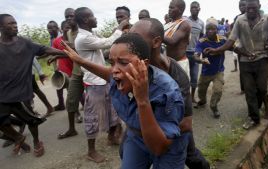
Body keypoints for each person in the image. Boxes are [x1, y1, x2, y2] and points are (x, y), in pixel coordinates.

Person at [62, 32, 190, 169]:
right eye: (111, 63)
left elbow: (159, 147)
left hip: (167, 145)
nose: (114, 70)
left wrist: (142, 100)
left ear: (144, 64)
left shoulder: (167, 92)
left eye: (123, 62)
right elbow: (107, 73)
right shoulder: (119, 76)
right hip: (136, 137)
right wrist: (80, 61)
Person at [204, 0, 268, 129]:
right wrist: (217, 50)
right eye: (248, 8)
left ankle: (264, 107)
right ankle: (253, 118)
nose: (250, 11)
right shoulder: (240, 20)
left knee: (261, 89)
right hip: (245, 61)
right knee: (249, 91)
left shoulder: (267, 19)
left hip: (262, 59)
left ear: (259, 7)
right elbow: (231, 40)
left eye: (253, 8)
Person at [129, 18, 210, 169]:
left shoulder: (177, 74)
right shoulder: (133, 68)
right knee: (127, 152)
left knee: (193, 159)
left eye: (136, 38)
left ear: (156, 42)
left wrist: (155, 133)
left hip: (173, 129)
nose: (130, 43)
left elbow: (185, 124)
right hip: (144, 129)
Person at [0, 14, 65, 157]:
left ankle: (36, 141)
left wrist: (66, 53)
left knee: (31, 121)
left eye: (15, 23)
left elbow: (45, 49)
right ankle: (18, 137)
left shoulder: (25, 42)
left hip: (22, 92)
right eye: (10, 24)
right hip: (3, 94)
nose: (15, 25)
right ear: (1, 27)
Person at [73, 7, 127, 163]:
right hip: (94, 82)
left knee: (112, 109)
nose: (95, 18)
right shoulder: (83, 38)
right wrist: (119, 28)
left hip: (103, 79)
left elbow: (107, 43)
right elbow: (107, 42)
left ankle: (111, 136)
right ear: (85, 20)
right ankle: (91, 151)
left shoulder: (91, 34)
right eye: (92, 16)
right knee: (93, 116)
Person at [57, 8, 84, 140]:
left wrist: (71, 46)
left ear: (77, 17)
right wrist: (56, 55)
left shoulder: (84, 31)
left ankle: (112, 128)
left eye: (71, 16)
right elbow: (69, 51)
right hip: (76, 71)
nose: (69, 19)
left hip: (90, 70)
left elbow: (83, 50)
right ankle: (71, 129)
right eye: (66, 16)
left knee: (100, 99)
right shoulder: (67, 32)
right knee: (71, 99)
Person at [193, 18, 226, 118]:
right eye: (208, 29)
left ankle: (214, 107)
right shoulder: (202, 41)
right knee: (201, 90)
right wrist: (201, 60)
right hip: (205, 72)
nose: (210, 31)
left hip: (218, 71)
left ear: (217, 29)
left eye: (213, 29)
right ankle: (203, 101)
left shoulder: (222, 39)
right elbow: (196, 55)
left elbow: (231, 46)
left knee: (217, 90)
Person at [164, 0, 191, 77]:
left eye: (172, 7)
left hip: (180, 63)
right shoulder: (168, 25)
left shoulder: (184, 24)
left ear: (180, 10)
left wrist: (155, 32)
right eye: (169, 7)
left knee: (181, 88)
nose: (169, 9)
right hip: (169, 62)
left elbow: (172, 41)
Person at [52, 20, 73, 114]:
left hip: (76, 68)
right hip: (64, 70)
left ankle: (84, 108)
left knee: (78, 93)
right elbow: (53, 54)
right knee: (71, 93)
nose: (68, 30)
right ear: (62, 29)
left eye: (70, 28)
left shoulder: (75, 39)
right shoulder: (57, 41)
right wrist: (55, 66)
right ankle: (75, 113)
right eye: (66, 28)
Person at [186, 1, 204, 103]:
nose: (193, 9)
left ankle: (192, 97)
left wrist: (200, 49)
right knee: (184, 76)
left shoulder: (201, 23)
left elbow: (202, 37)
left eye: (195, 7)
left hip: (195, 54)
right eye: (192, 7)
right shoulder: (185, 21)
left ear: (199, 9)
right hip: (184, 53)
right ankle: (185, 98)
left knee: (194, 76)